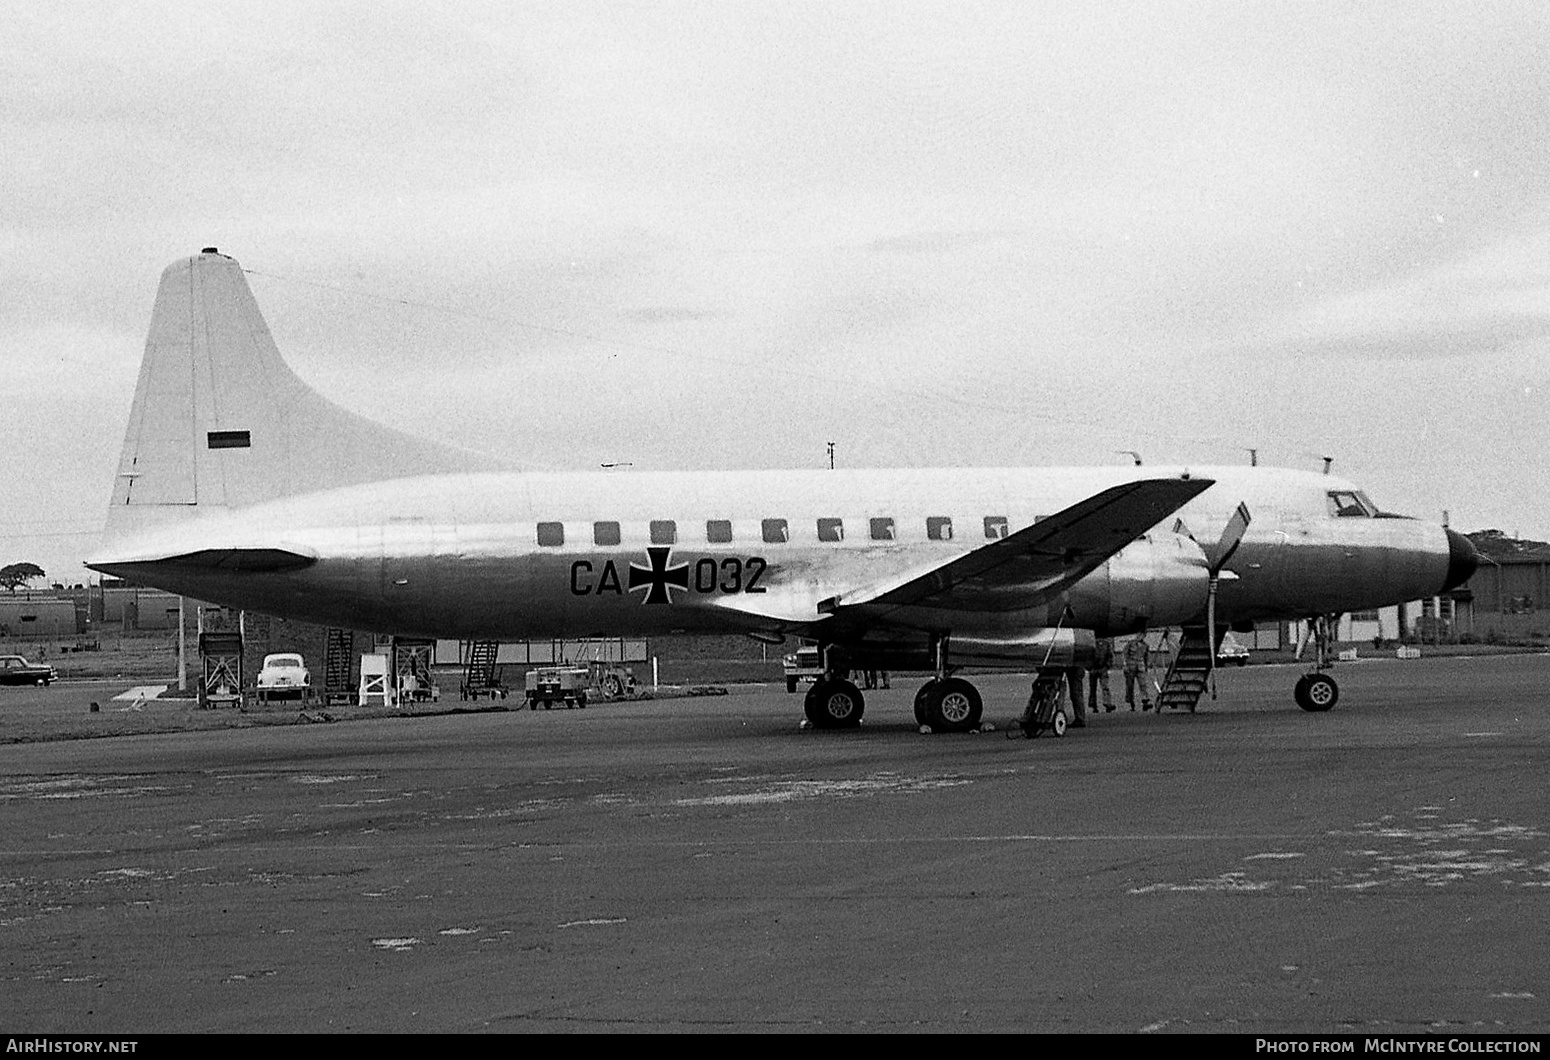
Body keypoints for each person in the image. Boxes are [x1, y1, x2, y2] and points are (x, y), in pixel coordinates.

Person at [1122, 635, 1152, 711]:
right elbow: (1124, 654)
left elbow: (1146, 657)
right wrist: (1124, 664)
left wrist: (1146, 667)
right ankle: (1131, 703)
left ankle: (1145, 701)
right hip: (1130, 666)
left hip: (1140, 666)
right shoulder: (1130, 644)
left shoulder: (1145, 645)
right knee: (1130, 686)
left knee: (1143, 684)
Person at [1088, 637, 1116, 713]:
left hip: (1103, 669)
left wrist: (1107, 666)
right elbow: (1087, 656)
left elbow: (1110, 656)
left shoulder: (1106, 644)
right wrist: (1089, 668)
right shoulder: (1091, 644)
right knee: (1093, 689)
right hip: (1093, 669)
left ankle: (1107, 704)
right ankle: (1093, 705)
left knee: (1105, 687)